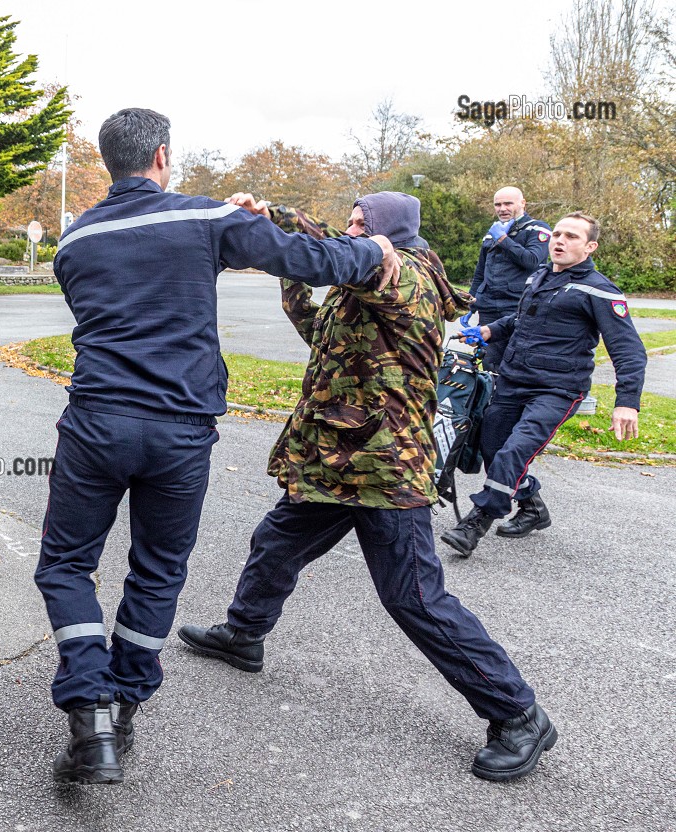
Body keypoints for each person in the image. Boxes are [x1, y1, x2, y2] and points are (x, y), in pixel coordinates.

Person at [37, 108, 402, 785]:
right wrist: (371, 252)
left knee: (64, 565)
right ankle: (125, 702)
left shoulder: (72, 241)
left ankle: (89, 716)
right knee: (157, 567)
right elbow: (302, 257)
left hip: (96, 423)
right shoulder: (202, 219)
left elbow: (127, 287)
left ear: (110, 161)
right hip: (180, 431)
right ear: (162, 157)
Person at [178, 191, 558, 783]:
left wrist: (275, 217)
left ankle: (518, 714)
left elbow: (336, 250)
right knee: (275, 541)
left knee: (414, 596)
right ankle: (243, 634)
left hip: (385, 467)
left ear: (392, 232)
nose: (354, 232)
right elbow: (322, 333)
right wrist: (288, 272)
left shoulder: (402, 274)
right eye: (352, 223)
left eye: (363, 224)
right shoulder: (363, 285)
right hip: (337, 465)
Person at [442, 212, 646, 556]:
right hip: (514, 380)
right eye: (557, 234)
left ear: (590, 246)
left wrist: (627, 401)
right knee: (492, 447)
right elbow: (522, 319)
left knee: (514, 451)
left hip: (558, 390)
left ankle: (477, 522)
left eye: (571, 237)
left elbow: (628, 349)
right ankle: (533, 506)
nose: (560, 241)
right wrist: (491, 330)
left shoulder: (598, 289)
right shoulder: (539, 275)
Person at [468, 186, 551, 373]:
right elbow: (480, 273)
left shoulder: (537, 228)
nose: (502, 209)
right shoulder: (492, 232)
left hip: (518, 306)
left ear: (522, 203)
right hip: (488, 307)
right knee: (490, 364)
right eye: (497, 204)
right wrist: (471, 302)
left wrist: (503, 239)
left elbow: (532, 260)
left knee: (516, 361)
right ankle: (491, 401)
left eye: (508, 203)